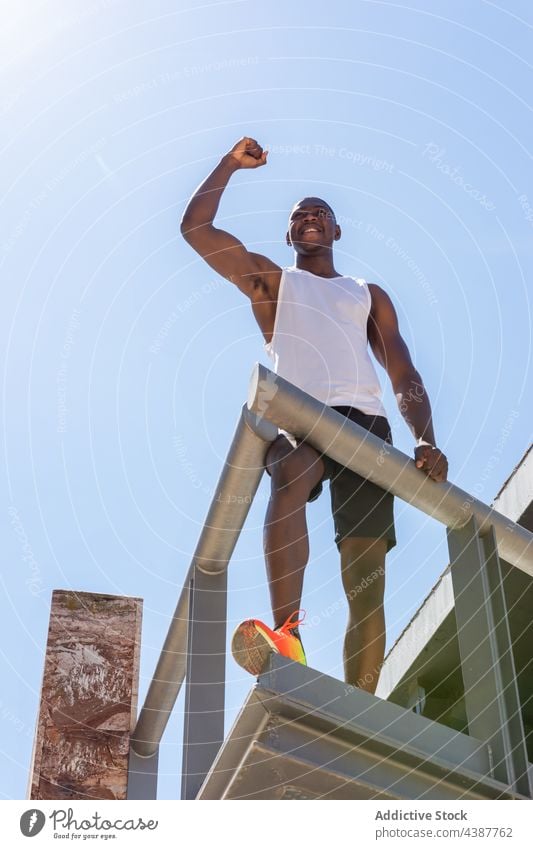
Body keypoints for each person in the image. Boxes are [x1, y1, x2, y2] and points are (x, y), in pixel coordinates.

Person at [180, 136, 448, 694]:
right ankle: (288, 634)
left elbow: (403, 372)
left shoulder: (365, 292)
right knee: (292, 472)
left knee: (366, 581)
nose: (311, 218)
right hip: (305, 418)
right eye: (300, 215)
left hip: (368, 427)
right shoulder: (274, 283)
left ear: (336, 232)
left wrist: (425, 438)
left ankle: (360, 706)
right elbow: (196, 232)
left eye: (321, 213)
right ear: (289, 235)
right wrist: (229, 164)